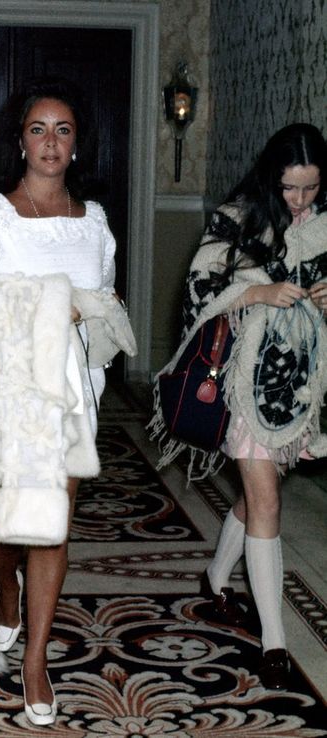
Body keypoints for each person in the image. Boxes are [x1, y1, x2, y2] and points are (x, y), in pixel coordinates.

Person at [0, 77, 118, 725]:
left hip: (69, 392)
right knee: (3, 522)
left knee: (52, 523)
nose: (50, 142)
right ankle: (5, 588)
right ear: (19, 140)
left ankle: (37, 659)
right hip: (5, 381)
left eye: (63, 130)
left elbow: (96, 315)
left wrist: (100, 319)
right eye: (38, 128)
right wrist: (46, 303)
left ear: (77, 146)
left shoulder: (94, 223)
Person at [151, 123, 327, 690]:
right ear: (269, 178)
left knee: (257, 500)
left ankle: (215, 577)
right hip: (241, 383)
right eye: (290, 189)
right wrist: (257, 292)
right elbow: (200, 292)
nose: (300, 201)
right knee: (268, 499)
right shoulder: (238, 216)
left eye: (310, 189)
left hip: (295, 386)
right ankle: (275, 642)